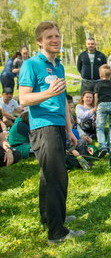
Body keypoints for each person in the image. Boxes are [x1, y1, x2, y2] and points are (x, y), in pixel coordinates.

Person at [19, 21, 84, 243]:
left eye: (57, 36)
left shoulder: (59, 66)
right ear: (39, 41)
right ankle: (57, 233)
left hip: (58, 126)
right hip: (42, 127)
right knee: (57, 177)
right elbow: (24, 98)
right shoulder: (31, 64)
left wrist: (69, 129)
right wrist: (47, 93)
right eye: (49, 37)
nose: (55, 40)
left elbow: (63, 101)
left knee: (48, 176)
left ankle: (50, 217)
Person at [94, 64, 111, 155]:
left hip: (102, 105)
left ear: (100, 74)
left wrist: (95, 106)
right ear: (110, 75)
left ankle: (102, 146)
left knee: (100, 127)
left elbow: (96, 96)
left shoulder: (98, 84)